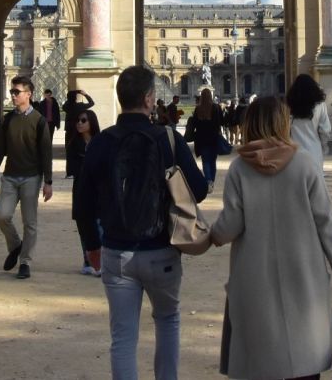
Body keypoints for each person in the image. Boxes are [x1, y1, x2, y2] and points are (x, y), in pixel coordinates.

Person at [73, 65, 207, 378]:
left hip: (116, 252)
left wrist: (92, 246)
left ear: (120, 99)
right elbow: (198, 191)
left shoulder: (102, 143)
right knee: (167, 320)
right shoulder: (168, 139)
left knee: (122, 338)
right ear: (149, 99)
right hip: (162, 249)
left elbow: (82, 205)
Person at [208, 96, 332, 380]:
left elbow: (230, 226)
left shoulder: (240, 169)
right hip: (303, 273)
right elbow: (326, 222)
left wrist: (209, 235)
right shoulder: (304, 164)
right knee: (304, 361)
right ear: (283, 123)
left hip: (254, 277)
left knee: (260, 361)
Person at [0, 75, 53, 280]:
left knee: (30, 222)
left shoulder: (39, 121)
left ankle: (25, 262)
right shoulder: (7, 119)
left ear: (28, 94)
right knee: (2, 216)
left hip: (31, 177)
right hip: (11, 176)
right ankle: (16, 246)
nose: (12, 95)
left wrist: (47, 182)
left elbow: (46, 153)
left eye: (16, 92)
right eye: (12, 92)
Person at [68, 109, 104, 277]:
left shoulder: (101, 142)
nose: (79, 123)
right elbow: (72, 169)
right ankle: (88, 261)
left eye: (83, 120)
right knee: (83, 226)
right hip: (81, 189)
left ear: (92, 123)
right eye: (78, 121)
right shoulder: (74, 143)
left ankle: (100, 262)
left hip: (98, 190)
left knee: (99, 225)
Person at [286, 73, 332, 171]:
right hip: (314, 151)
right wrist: (324, 147)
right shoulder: (320, 105)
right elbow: (325, 130)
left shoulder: (289, 106)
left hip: (294, 152)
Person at [185, 88, 225, 187]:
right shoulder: (216, 107)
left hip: (201, 138)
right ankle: (212, 180)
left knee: (205, 161)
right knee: (212, 161)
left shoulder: (198, 108)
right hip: (213, 138)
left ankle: (208, 181)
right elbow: (221, 122)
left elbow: (194, 124)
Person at [61, 88, 95, 178]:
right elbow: (92, 103)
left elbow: (64, 105)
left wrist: (72, 94)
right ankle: (78, 169)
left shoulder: (67, 106)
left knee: (69, 151)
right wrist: (85, 94)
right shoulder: (79, 106)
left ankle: (69, 172)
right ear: (75, 98)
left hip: (69, 130)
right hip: (77, 130)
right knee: (78, 150)